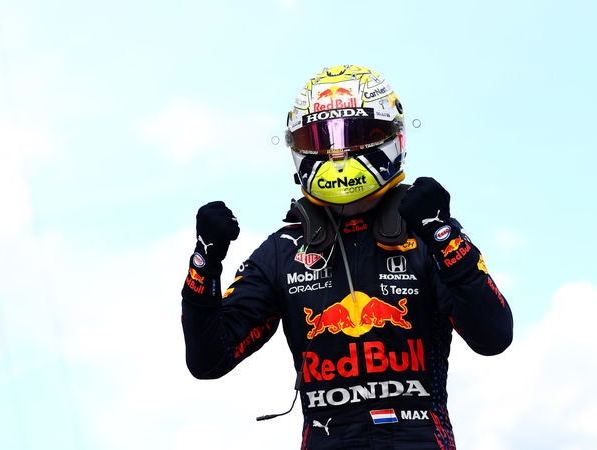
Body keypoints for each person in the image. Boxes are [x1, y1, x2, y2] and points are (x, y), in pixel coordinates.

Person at [181, 64, 513, 449]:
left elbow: (494, 336)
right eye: (320, 137)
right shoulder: (281, 251)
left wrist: (444, 237)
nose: (336, 151)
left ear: (391, 136)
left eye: (353, 134)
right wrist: (206, 261)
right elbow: (207, 360)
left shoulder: (428, 235)